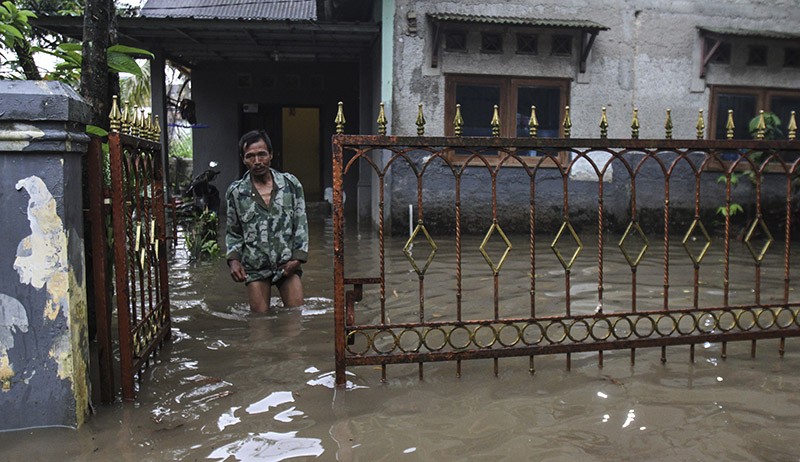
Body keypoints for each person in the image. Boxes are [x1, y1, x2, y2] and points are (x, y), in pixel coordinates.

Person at [225, 129, 308, 312]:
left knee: (295, 317)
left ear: (271, 154)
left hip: (287, 264)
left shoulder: (291, 185)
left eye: (262, 154)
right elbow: (233, 232)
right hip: (255, 267)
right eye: (250, 156)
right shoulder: (236, 193)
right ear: (243, 159)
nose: (257, 161)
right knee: (259, 322)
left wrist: (298, 258)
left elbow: (301, 224)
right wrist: (234, 261)